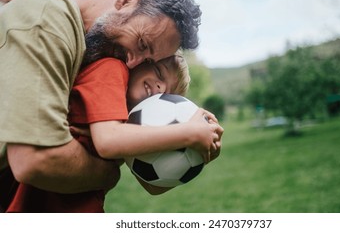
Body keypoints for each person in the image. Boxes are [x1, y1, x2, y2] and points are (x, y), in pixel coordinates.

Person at [0, 0, 203, 195]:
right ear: (126, 0)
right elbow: (35, 160)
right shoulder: (45, 21)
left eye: (148, 61)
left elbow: (151, 185)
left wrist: (201, 148)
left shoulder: (100, 55)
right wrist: (109, 173)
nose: (132, 62)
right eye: (142, 43)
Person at [4, 54, 222, 212]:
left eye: (167, 90)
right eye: (158, 72)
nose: (159, 87)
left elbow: (152, 186)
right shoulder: (111, 69)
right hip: (36, 201)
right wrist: (189, 133)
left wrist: (202, 153)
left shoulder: (134, 123)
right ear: (139, 60)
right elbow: (108, 142)